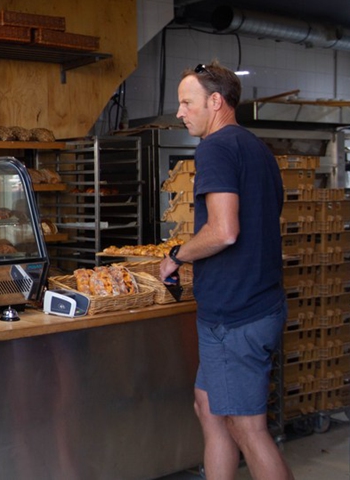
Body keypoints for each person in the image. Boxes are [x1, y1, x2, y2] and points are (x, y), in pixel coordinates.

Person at [158, 60, 293, 480]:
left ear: (215, 102)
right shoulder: (258, 150)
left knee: (246, 427)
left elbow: (224, 231)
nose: (180, 112)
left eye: (187, 102)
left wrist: (178, 255)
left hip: (237, 316)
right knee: (209, 407)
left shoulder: (215, 148)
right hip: (248, 307)